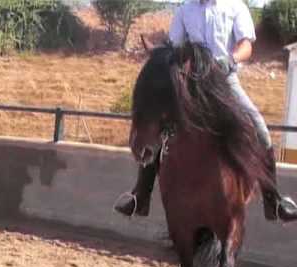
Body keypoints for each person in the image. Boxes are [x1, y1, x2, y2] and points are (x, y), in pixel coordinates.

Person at [115, 0, 297, 222]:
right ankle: (140, 195)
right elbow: (174, 45)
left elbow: (246, 46)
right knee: (158, 123)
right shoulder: (185, 9)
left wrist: (230, 60)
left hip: (224, 79)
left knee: (260, 128)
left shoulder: (235, 7)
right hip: (190, 81)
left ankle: (273, 200)